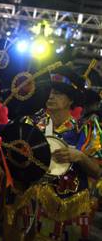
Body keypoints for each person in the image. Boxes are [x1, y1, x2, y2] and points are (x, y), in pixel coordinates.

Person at [27, 66, 101, 240]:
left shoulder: (85, 130)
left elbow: (98, 172)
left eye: (58, 93)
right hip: (29, 205)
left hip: (66, 210)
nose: (51, 96)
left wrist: (80, 157)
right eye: (51, 91)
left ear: (70, 100)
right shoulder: (30, 124)